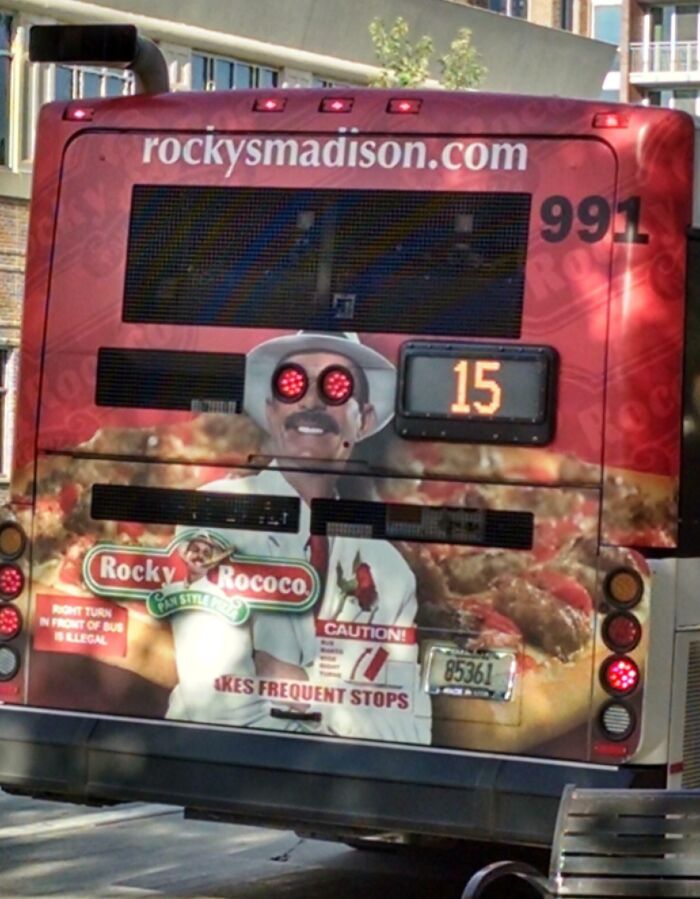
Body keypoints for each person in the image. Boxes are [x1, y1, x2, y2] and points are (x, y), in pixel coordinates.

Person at [168, 332, 431, 744]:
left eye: (335, 386)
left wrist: (298, 684)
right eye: (292, 386)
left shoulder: (391, 572)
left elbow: (407, 732)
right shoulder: (214, 518)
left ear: (362, 420)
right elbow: (214, 705)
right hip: (221, 765)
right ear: (271, 412)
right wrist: (351, 703)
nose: (311, 401)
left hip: (345, 789)